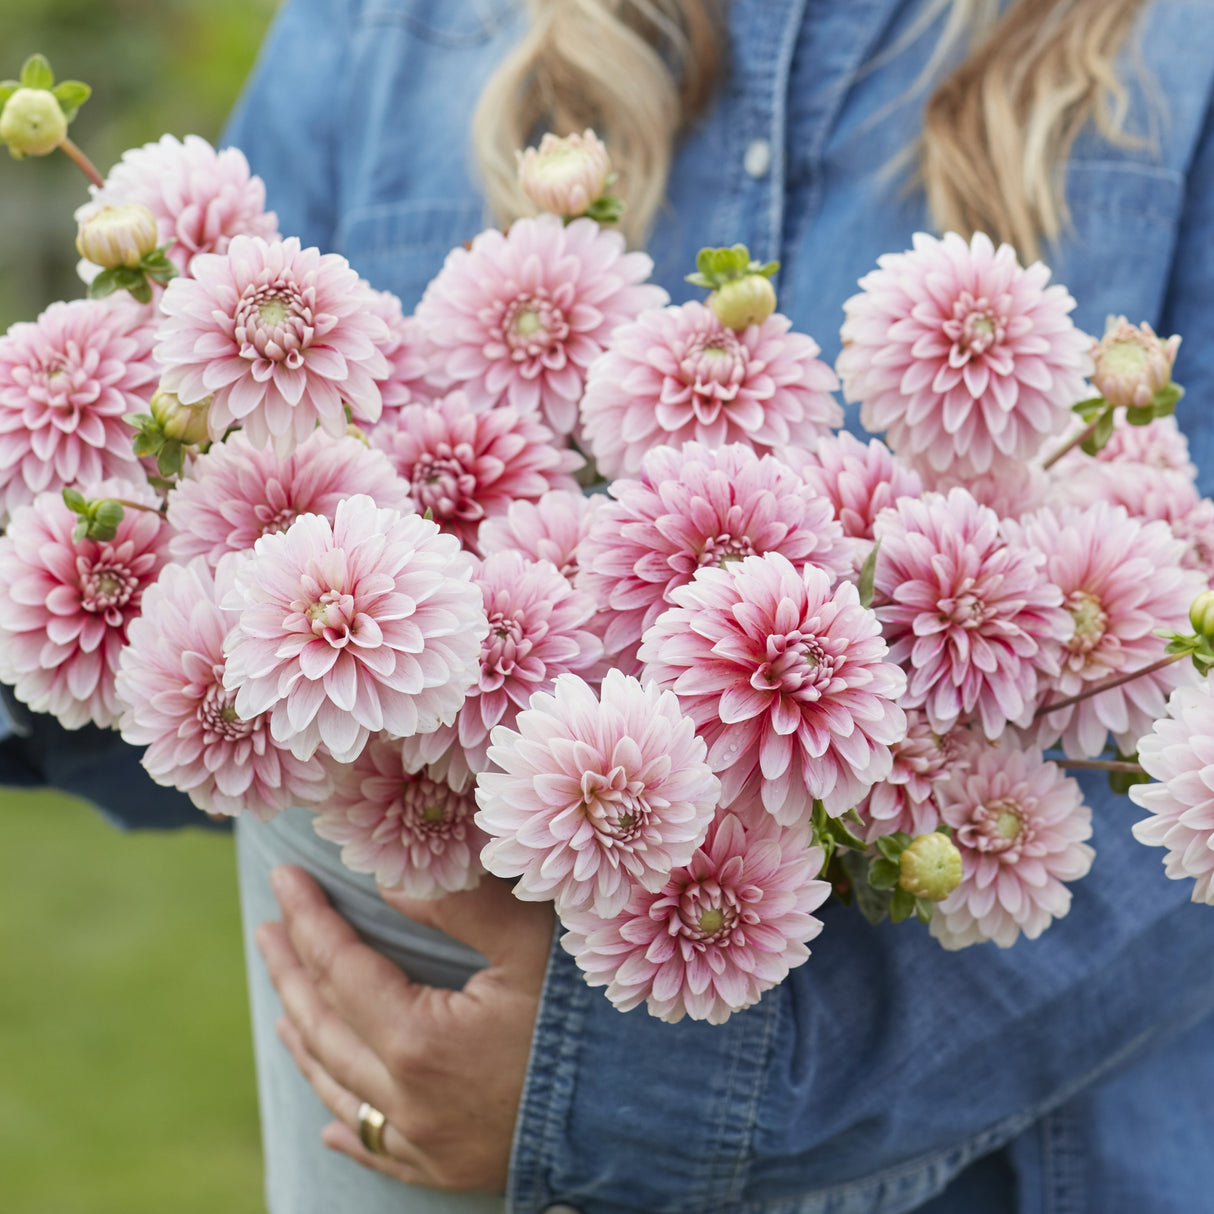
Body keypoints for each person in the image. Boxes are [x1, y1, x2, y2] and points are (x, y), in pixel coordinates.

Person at [6, 0, 1214, 1210]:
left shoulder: (1176, 49)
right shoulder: (374, 27)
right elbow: (209, 711)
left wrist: (629, 1087)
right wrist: (56, 612)